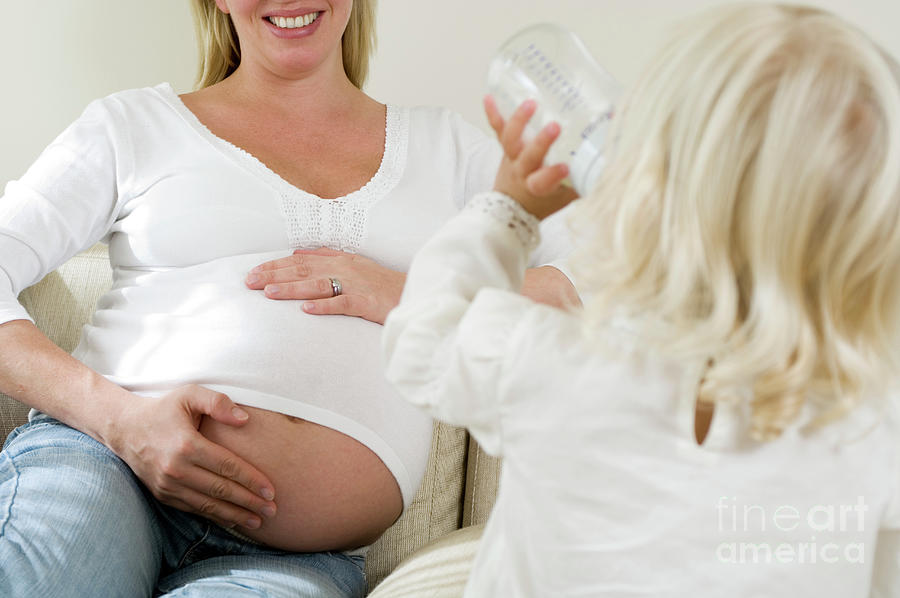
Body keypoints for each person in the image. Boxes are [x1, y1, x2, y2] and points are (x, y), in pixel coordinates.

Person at [0, 0, 577, 596]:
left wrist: (412, 293)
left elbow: (600, 278)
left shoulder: (449, 152)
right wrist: (119, 422)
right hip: (103, 465)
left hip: (296, 559)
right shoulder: (134, 126)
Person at [382, 3, 900, 596]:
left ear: (647, 188)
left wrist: (509, 212)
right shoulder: (873, 428)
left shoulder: (555, 363)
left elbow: (421, 340)